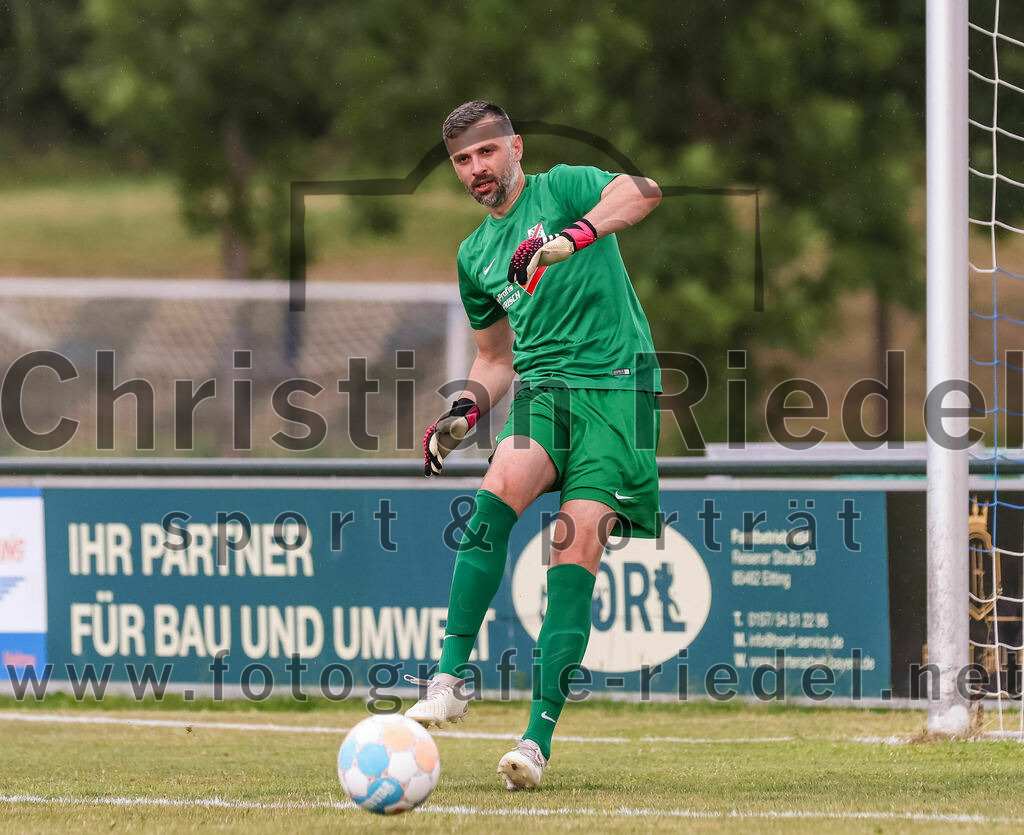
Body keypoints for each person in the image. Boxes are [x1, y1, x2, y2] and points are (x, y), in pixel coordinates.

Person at [405, 100, 663, 790]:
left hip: (618, 389)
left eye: (486, 152)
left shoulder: (564, 188)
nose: (476, 168)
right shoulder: (475, 255)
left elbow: (642, 191)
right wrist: (463, 411)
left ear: (515, 147)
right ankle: (449, 680)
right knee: (494, 494)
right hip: (545, 391)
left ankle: (536, 740)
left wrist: (571, 238)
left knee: (572, 547)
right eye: (462, 160)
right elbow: (496, 358)